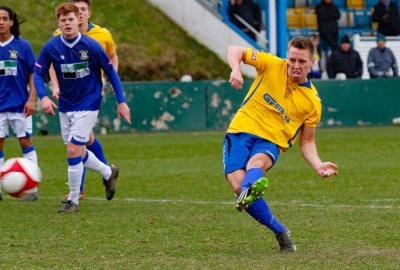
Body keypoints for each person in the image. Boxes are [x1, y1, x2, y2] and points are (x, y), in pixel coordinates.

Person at [224, 37, 339, 252]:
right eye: (292, 59)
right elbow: (234, 49)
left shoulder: (312, 102)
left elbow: (307, 141)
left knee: (257, 164)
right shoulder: (271, 64)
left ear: (312, 62)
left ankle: (251, 187)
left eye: (302, 62)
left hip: (270, 141)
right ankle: (280, 231)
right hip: (240, 130)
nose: (295, 66)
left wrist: (317, 164)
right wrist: (236, 70)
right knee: (239, 186)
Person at [34, 3, 131, 213]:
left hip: (89, 102)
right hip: (66, 104)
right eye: (63, 20)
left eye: (71, 19)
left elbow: (111, 72)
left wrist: (121, 101)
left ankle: (74, 200)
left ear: (79, 20)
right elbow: (37, 74)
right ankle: (108, 172)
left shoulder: (92, 45)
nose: (67, 23)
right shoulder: (51, 47)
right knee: (79, 149)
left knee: (72, 149)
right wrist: (43, 97)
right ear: (58, 23)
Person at [49, 0, 119, 203]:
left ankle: (78, 190)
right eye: (75, 11)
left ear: (89, 13)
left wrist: (110, 79)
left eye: (82, 10)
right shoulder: (59, 35)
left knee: (77, 143)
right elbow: (51, 64)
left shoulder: (102, 35)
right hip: (70, 94)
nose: (78, 14)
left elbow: (112, 57)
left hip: (91, 94)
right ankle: (108, 172)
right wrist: (55, 86)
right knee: (85, 139)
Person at [0, 6, 39, 202]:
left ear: (11, 22)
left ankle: (32, 188)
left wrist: (32, 98)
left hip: (20, 105)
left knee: (25, 141)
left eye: (5, 18)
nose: (1, 22)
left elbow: (34, 74)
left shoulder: (23, 46)